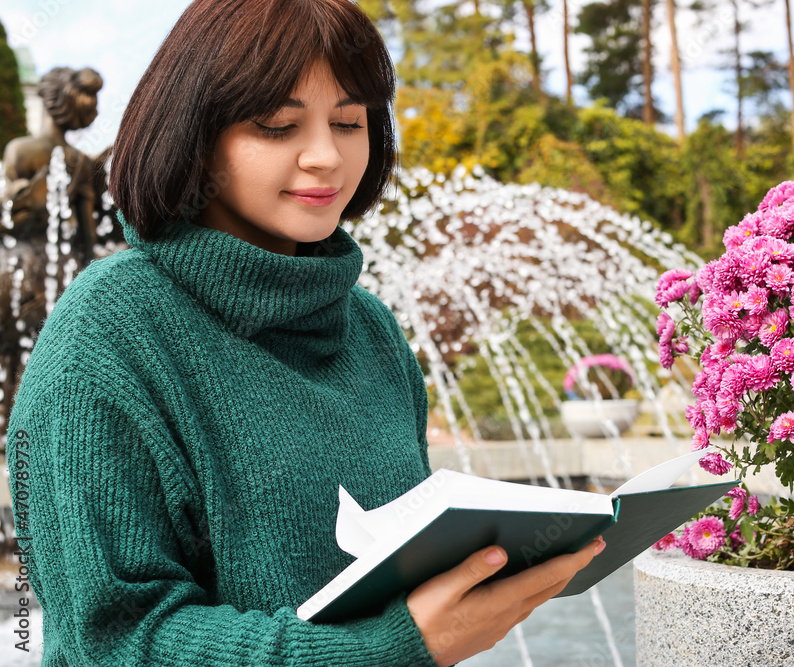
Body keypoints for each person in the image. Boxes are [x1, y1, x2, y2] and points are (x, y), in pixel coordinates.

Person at [4, 0, 606, 665]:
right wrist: (395, 647)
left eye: (349, 121)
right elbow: (113, 641)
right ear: (195, 133)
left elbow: (393, 576)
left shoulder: (369, 325)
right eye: (279, 125)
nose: (326, 156)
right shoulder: (108, 334)